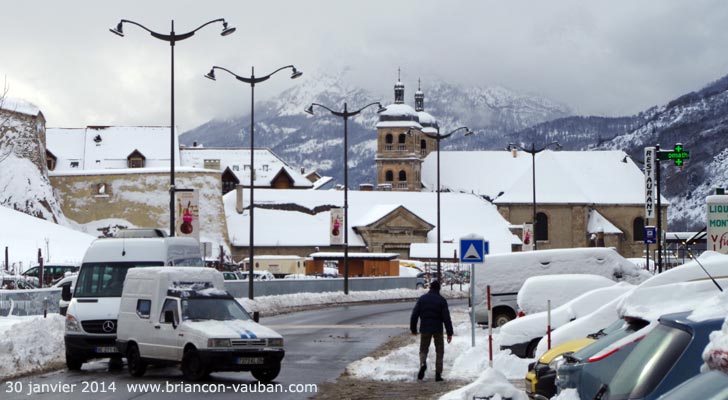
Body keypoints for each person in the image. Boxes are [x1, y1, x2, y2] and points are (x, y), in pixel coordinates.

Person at [410, 280, 454, 381]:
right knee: (439, 351)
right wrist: (449, 333)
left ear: (430, 288)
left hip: (425, 328)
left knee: (423, 349)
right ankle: (438, 374)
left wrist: (413, 329)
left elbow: (414, 315)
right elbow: (446, 318)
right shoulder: (442, 300)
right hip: (438, 329)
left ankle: (423, 363)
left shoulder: (422, 299)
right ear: (439, 289)